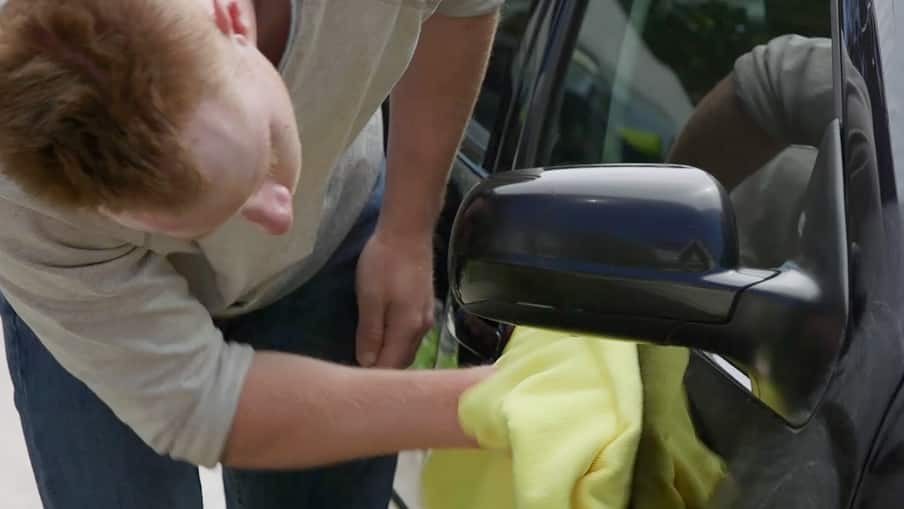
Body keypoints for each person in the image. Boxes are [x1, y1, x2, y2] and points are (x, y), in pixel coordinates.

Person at [0, 0, 501, 507]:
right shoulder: (17, 201)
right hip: (94, 317)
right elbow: (200, 404)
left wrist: (407, 230)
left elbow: (463, 8)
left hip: (332, 243)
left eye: (265, 149)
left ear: (234, 19)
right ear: (106, 211)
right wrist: (494, 405)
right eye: (218, 216)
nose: (280, 219)